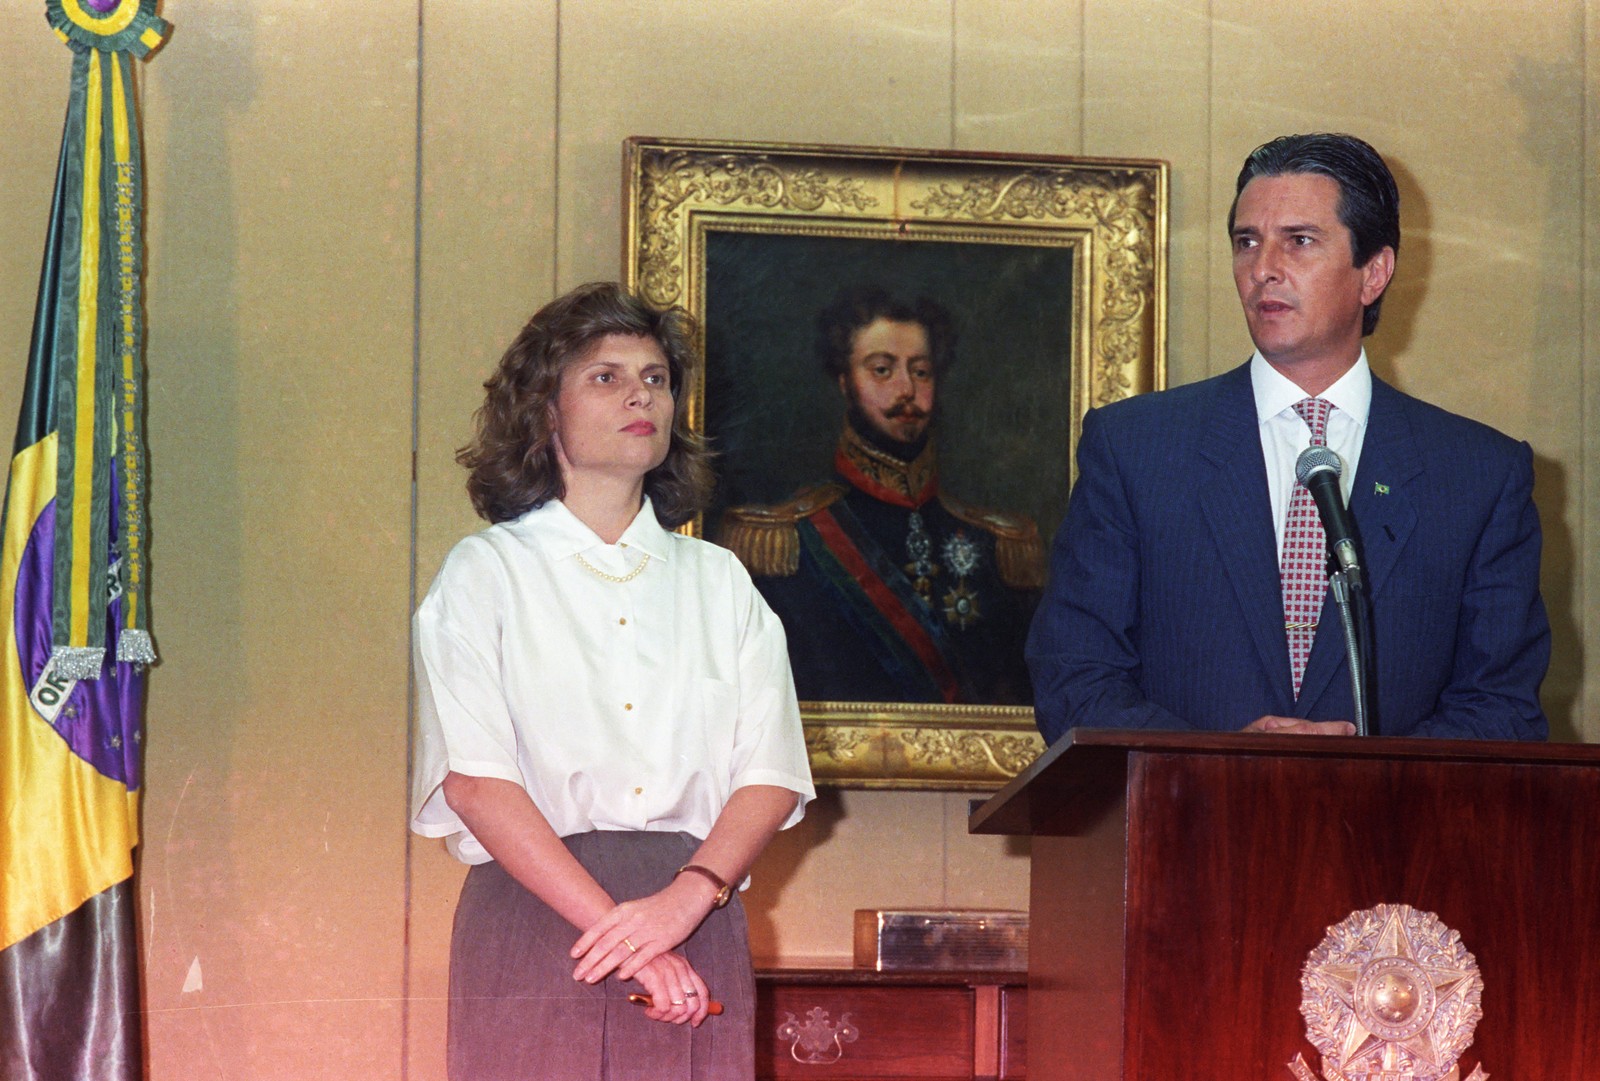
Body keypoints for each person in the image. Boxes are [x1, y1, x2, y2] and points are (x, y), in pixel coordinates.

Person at [409, 282, 816, 1080]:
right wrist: (627, 936)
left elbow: (768, 777)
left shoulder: (721, 579)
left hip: (697, 911)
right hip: (536, 918)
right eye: (606, 375)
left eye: (656, 377)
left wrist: (684, 902)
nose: (641, 394)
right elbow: (476, 784)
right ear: (543, 410)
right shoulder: (485, 573)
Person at [1026, 133, 1550, 744]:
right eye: (1247, 242)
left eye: (1299, 241)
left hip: (1388, 833)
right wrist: (1220, 766)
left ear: (1374, 272)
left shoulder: (1477, 476)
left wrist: (1354, 778)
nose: (1263, 269)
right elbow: (1074, 678)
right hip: (1180, 826)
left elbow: (1501, 709)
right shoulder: (1135, 449)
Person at [720, 285, 1043, 705]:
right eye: (882, 370)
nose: (906, 389)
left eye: (921, 371)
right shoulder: (784, 539)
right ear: (844, 382)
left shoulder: (998, 544)